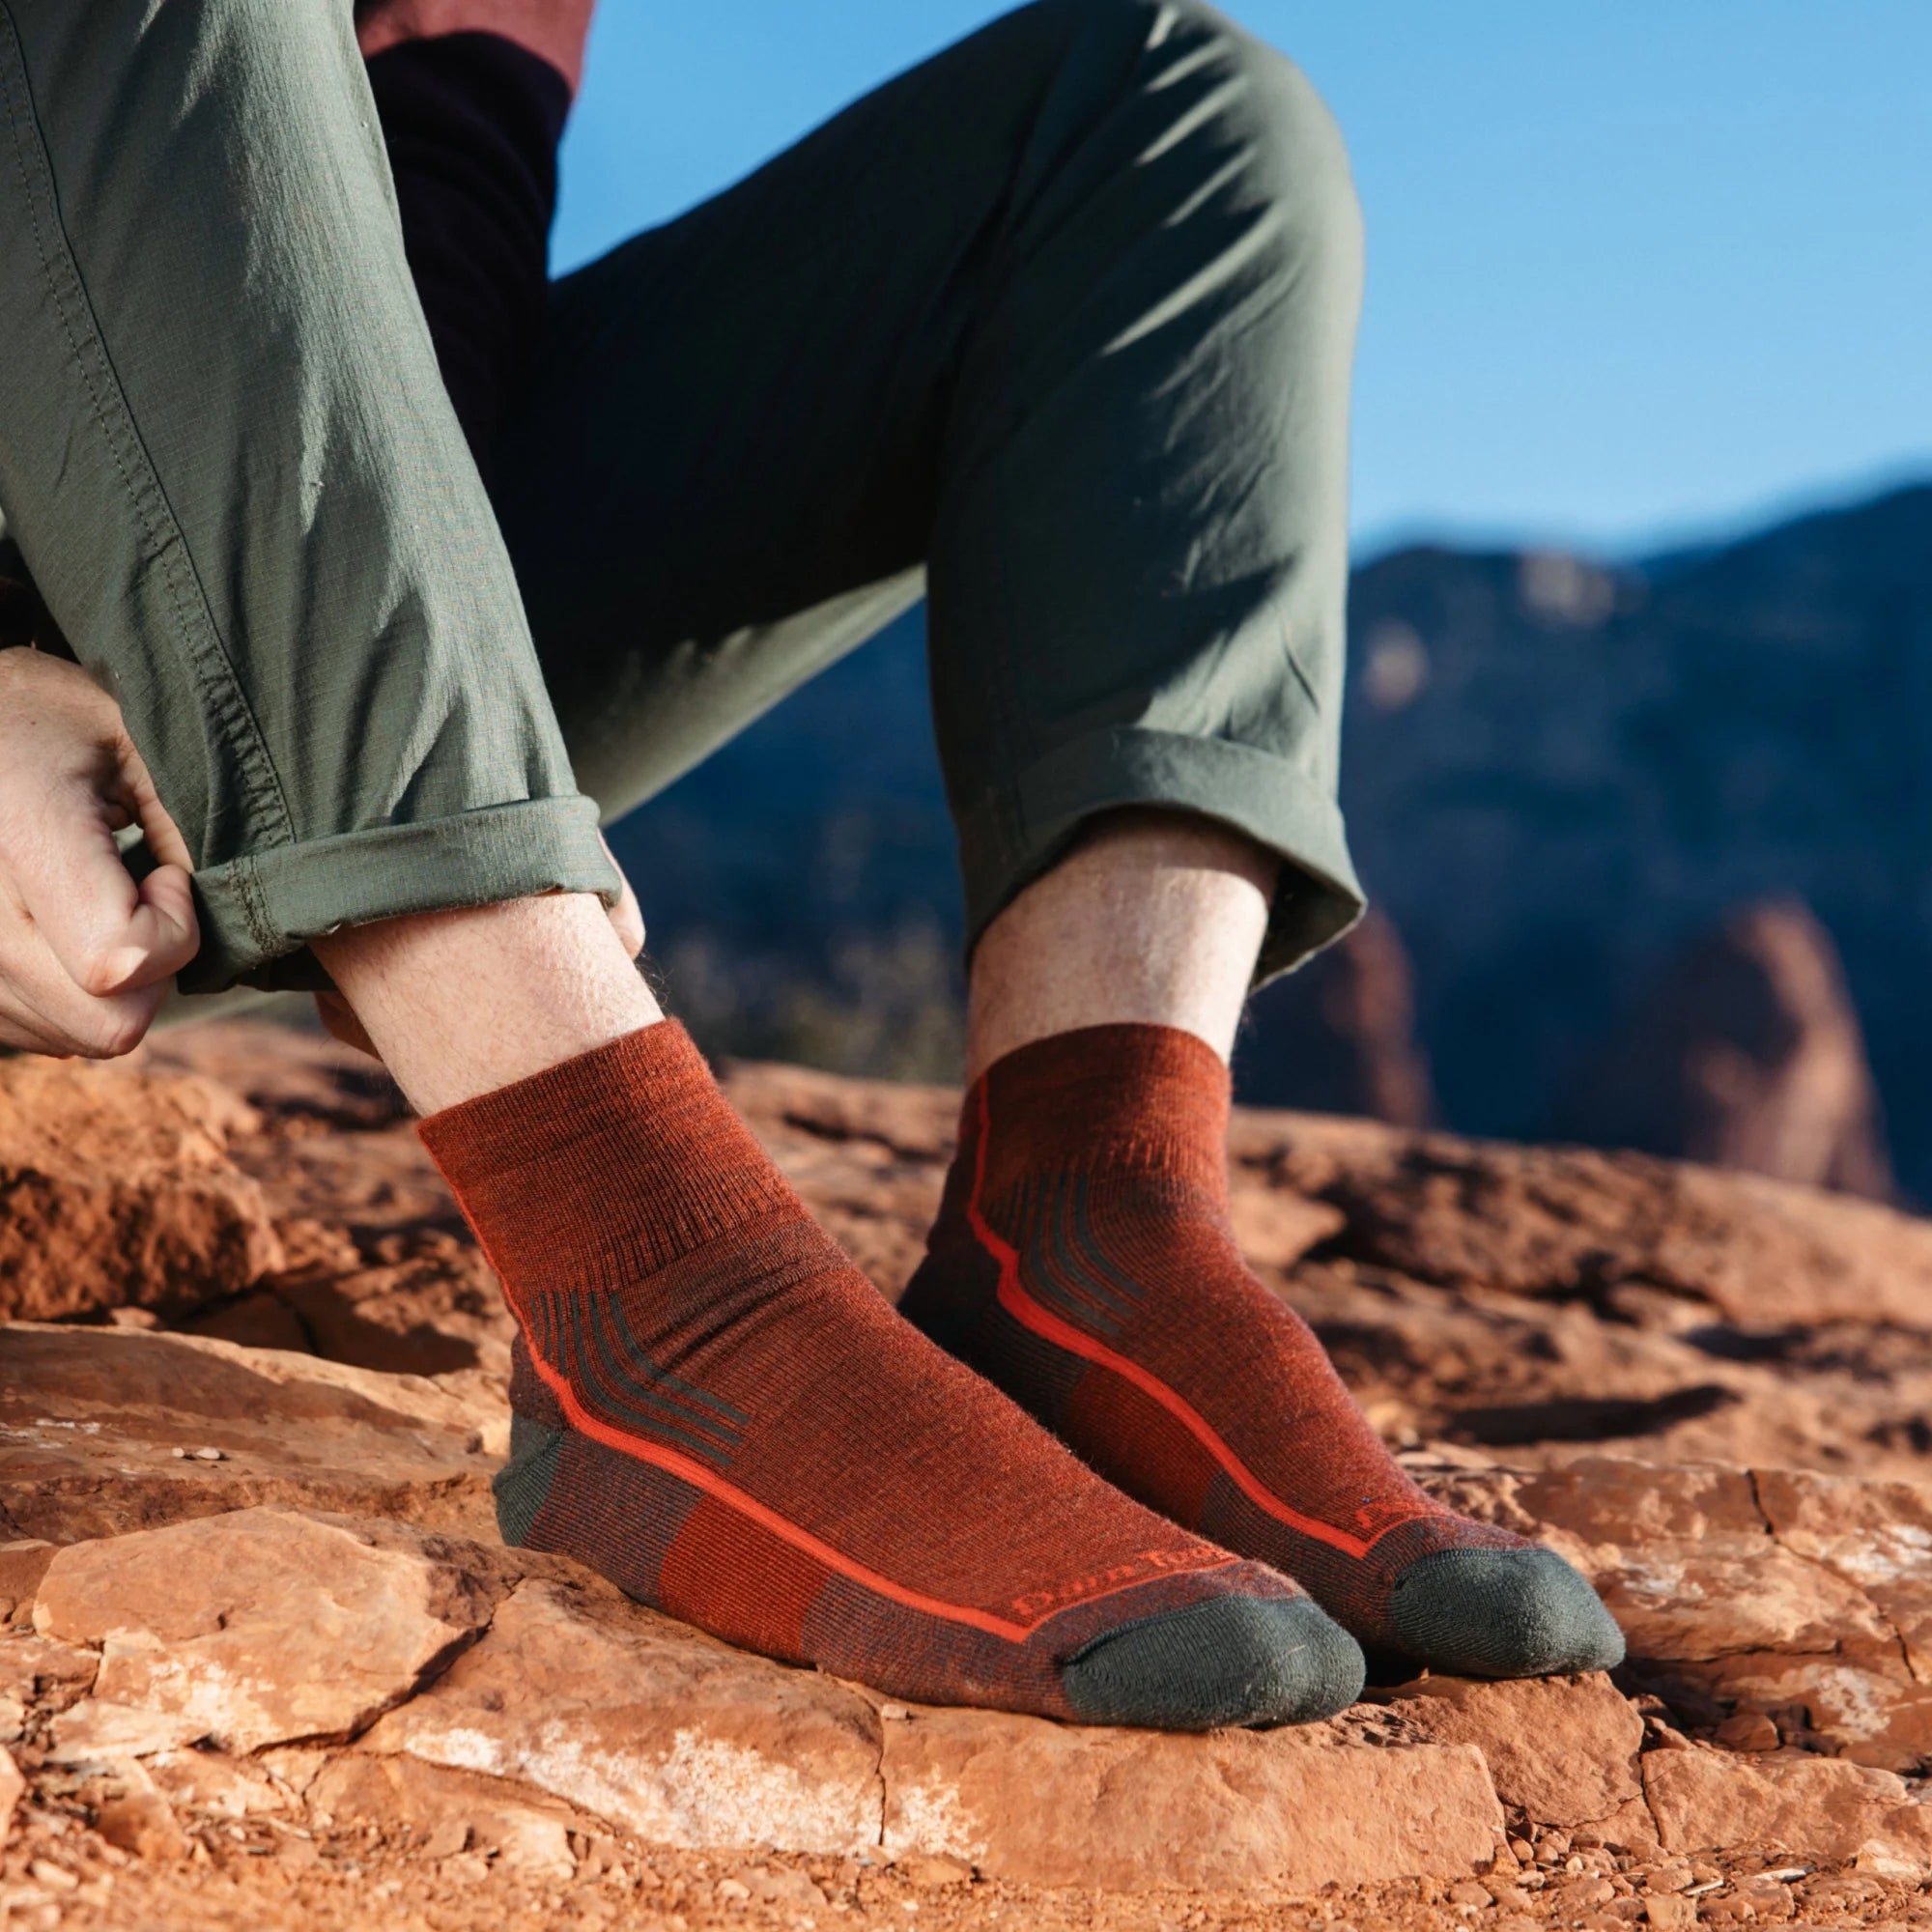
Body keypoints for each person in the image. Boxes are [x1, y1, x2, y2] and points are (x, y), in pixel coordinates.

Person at [0, 0, 1622, 1732]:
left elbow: (412, 194)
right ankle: (645, 1299)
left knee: (1170, 118)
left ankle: (1084, 1232)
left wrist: (372, 702)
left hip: (266, 543)